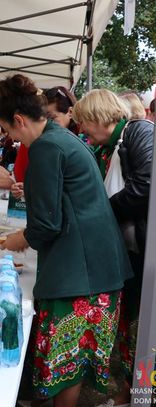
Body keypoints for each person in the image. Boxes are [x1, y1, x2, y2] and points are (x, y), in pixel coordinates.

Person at [0, 74, 132, 407]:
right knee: (72, 364)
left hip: (82, 276)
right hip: (97, 268)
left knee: (67, 365)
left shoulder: (46, 147)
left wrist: (16, 239)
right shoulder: (62, 138)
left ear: (19, 120)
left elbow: (45, 224)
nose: (12, 139)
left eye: (9, 131)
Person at [72, 89, 154, 407]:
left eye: (84, 122)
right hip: (126, 252)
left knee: (142, 329)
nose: (82, 129)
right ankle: (131, 391)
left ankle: (139, 392)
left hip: (144, 252)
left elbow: (145, 185)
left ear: (98, 117)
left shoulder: (139, 131)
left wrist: (102, 212)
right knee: (129, 326)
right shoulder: (106, 147)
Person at [11, 85, 79, 199]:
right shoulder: (37, 140)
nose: (46, 124)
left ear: (70, 112)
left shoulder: (82, 140)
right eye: (43, 118)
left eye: (52, 118)